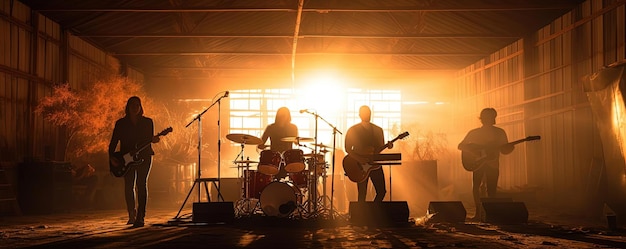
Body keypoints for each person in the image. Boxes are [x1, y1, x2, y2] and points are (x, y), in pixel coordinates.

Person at [108, 96, 160, 227]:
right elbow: (114, 141)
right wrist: (111, 157)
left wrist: (153, 140)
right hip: (126, 158)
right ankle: (131, 214)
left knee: (141, 184)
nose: (135, 107)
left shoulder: (148, 122)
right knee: (129, 185)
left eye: (137, 105)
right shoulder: (121, 124)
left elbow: (148, 140)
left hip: (144, 156)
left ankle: (140, 216)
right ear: (128, 107)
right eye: (132, 105)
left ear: (140, 107)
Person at [457, 108, 514, 220]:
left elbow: (504, 150)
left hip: (493, 163)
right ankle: (479, 212)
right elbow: (461, 146)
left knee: (491, 188)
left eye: (493, 117)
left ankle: (489, 213)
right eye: (489, 117)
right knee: (477, 187)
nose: (491, 119)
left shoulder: (499, 133)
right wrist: (475, 151)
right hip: (478, 163)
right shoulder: (474, 133)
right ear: (483, 119)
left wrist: (510, 148)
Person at [344, 105, 392, 203]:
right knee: (362, 193)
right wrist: (359, 158)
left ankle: (372, 210)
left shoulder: (378, 130)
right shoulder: (353, 130)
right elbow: (348, 148)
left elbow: (379, 147)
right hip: (359, 166)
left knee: (381, 191)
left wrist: (388, 146)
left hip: (375, 164)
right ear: (360, 115)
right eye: (365, 113)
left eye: (369, 112)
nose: (368, 115)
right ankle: (361, 215)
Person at [257, 107, 298, 180]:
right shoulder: (271, 127)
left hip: (286, 160)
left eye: (284, 115)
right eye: (281, 115)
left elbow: (296, 142)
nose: (282, 117)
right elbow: (260, 144)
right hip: (276, 161)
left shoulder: (292, 127)